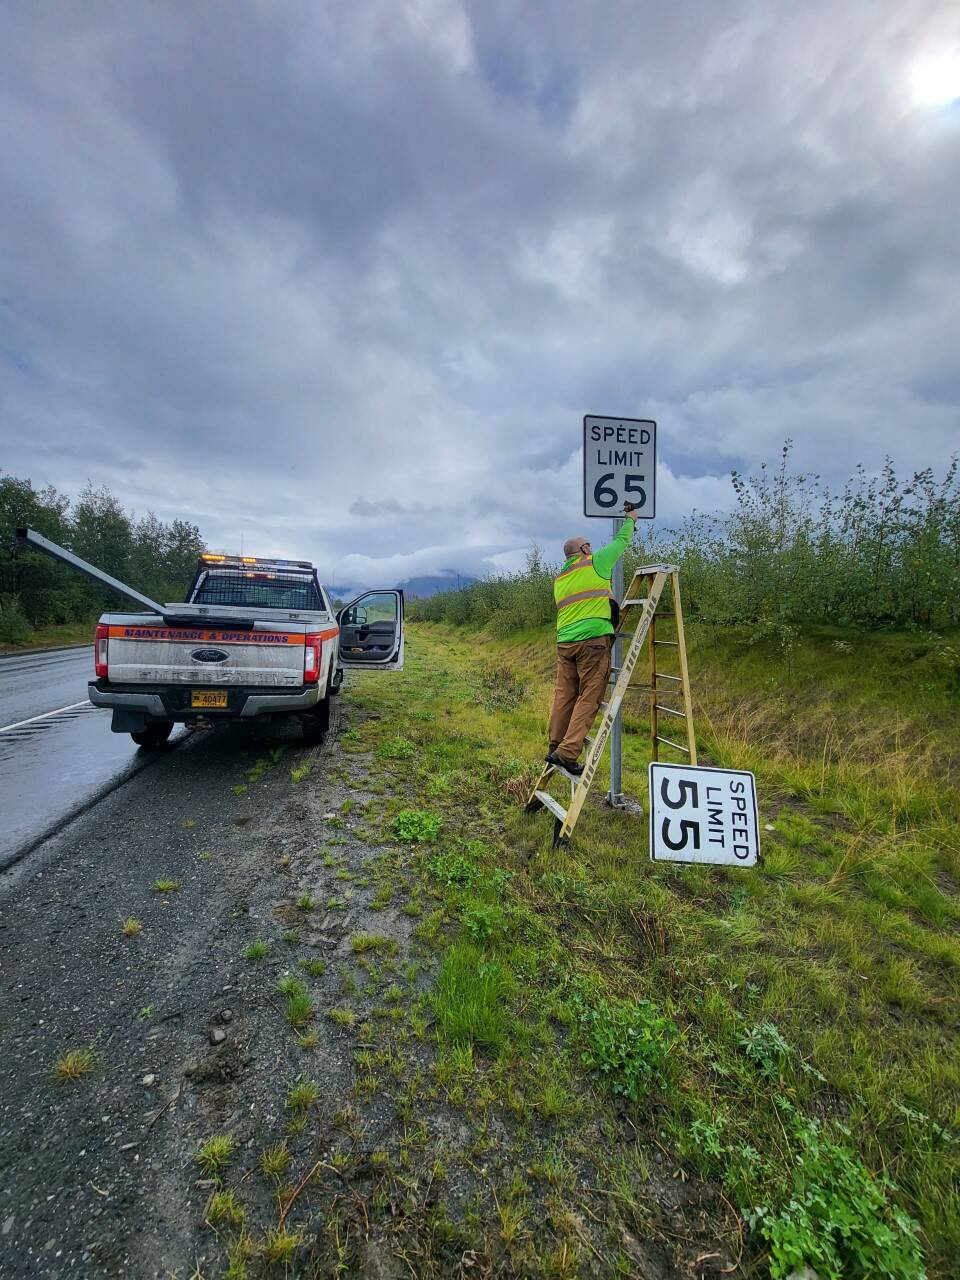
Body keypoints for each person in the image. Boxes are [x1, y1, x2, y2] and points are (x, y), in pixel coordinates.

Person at [546, 506, 637, 775]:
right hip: (593, 642)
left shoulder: (560, 578)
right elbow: (621, 542)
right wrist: (631, 520)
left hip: (565, 643)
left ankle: (555, 745)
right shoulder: (596, 561)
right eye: (590, 546)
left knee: (564, 695)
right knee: (590, 696)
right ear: (585, 549)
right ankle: (568, 752)